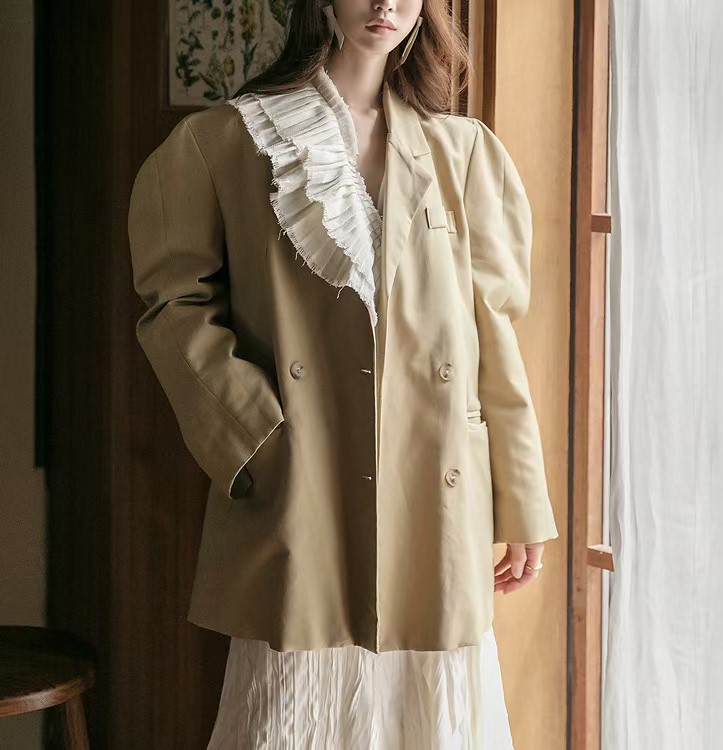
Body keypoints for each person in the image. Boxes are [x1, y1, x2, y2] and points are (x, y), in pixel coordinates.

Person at [127, 0, 559, 746]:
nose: (386, 4)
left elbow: (491, 333)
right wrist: (256, 436)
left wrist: (522, 499)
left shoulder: (464, 154)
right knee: (294, 714)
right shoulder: (227, 141)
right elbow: (173, 303)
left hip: (434, 498)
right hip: (304, 498)